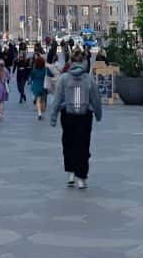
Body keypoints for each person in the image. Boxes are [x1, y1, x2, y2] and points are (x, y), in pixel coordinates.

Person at [49, 48, 102, 190]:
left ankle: (71, 174)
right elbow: (96, 99)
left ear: (71, 62)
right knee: (83, 146)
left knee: (68, 144)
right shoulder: (88, 78)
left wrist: (53, 117)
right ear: (83, 62)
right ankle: (81, 177)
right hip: (85, 116)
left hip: (68, 115)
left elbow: (57, 99)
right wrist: (98, 114)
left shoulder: (64, 78)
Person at [29, 54, 54, 120]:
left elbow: (31, 77)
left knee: (38, 100)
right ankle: (42, 111)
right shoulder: (46, 69)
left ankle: (39, 113)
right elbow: (51, 75)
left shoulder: (34, 70)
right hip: (44, 86)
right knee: (42, 100)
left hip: (36, 86)